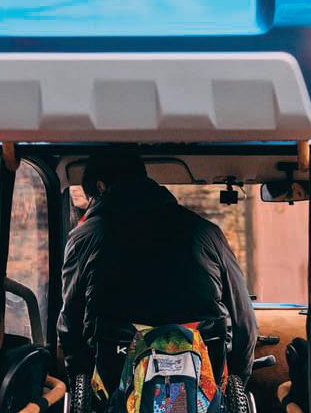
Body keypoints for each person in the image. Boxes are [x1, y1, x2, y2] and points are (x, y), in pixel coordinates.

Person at [58, 150, 257, 383]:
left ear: (101, 188)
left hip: (115, 373)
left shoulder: (85, 238)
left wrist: (79, 383)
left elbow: (70, 325)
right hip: (202, 375)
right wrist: (237, 380)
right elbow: (244, 321)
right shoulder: (206, 232)